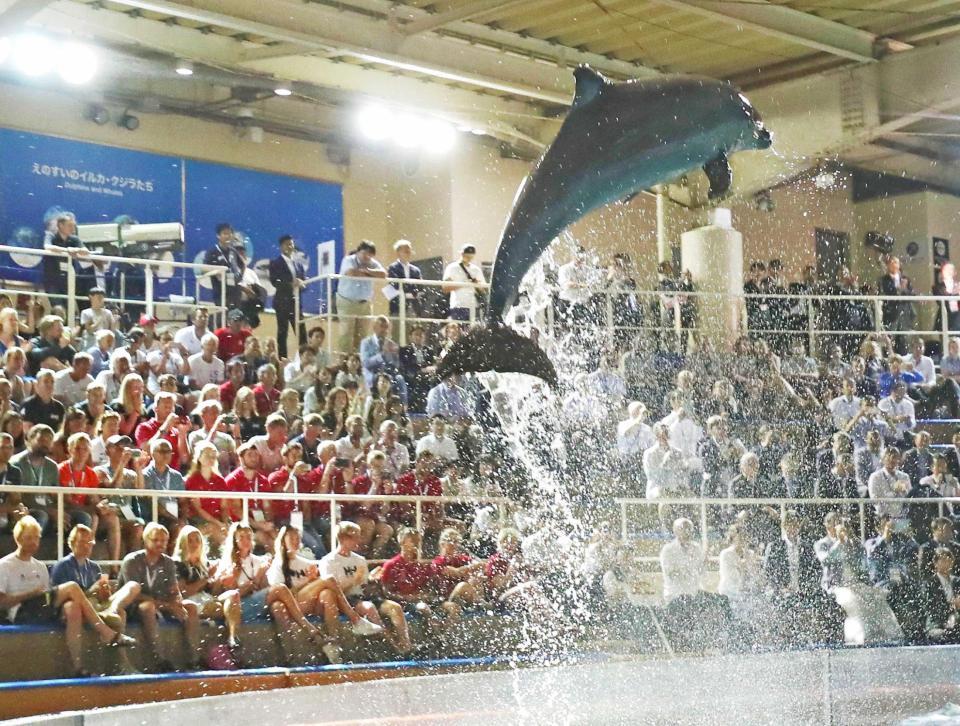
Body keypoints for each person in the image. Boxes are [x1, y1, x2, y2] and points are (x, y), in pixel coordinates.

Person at [0, 516, 135, 676]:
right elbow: (3, 603)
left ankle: (77, 667)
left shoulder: (40, 566)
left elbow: (48, 597)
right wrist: (30, 593)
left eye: (37, 538)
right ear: (18, 538)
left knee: (72, 608)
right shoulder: (5, 565)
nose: (34, 542)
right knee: (72, 587)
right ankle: (106, 633)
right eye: (29, 537)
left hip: (42, 608)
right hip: (20, 611)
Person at [267, 525, 381, 664]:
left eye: (298, 538)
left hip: (307, 604)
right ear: (283, 541)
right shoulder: (277, 564)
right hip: (292, 605)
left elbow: (318, 590)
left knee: (327, 594)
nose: (296, 541)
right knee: (328, 580)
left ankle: (334, 645)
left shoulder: (307, 562)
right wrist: (309, 582)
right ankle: (355, 619)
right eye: (292, 538)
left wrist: (314, 580)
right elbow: (282, 593)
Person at [216, 522, 327, 663]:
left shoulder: (258, 561)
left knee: (278, 606)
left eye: (249, 537)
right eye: (241, 537)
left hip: (255, 604)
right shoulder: (226, 562)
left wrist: (261, 576)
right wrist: (235, 581)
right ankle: (310, 629)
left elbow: (262, 589)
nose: (246, 541)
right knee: (279, 588)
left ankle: (290, 656)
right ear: (234, 540)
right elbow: (218, 592)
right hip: (236, 607)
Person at [50, 523, 141, 671]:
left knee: (132, 588)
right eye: (82, 542)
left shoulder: (94, 567)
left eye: (89, 543)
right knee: (73, 606)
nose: (87, 546)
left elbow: (101, 599)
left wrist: (104, 593)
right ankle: (111, 658)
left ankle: (122, 665)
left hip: (96, 608)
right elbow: (62, 598)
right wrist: (91, 591)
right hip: (76, 609)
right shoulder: (62, 565)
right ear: (72, 543)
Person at [118, 522, 203, 670]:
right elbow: (135, 595)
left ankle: (193, 658)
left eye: (163, 540)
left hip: (160, 602)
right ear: (146, 540)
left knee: (191, 607)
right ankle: (158, 659)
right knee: (147, 607)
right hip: (132, 606)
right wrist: (168, 606)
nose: (160, 544)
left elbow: (173, 590)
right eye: (155, 540)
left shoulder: (168, 562)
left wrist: (178, 602)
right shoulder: (132, 561)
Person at [321, 521, 411, 652]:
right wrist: (353, 580)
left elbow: (364, 586)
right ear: (343, 538)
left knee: (394, 607)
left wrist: (373, 580)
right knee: (369, 608)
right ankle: (394, 648)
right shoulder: (328, 561)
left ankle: (406, 646)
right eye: (355, 536)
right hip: (346, 600)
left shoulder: (360, 560)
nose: (360, 539)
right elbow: (334, 590)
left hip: (363, 596)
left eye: (359, 536)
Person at [658, 517, 736, 651]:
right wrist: (690, 567)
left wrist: (705, 562)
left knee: (722, 600)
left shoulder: (696, 547)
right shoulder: (668, 550)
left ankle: (729, 636)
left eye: (689, 529)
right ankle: (691, 641)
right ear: (675, 531)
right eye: (683, 528)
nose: (687, 532)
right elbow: (671, 573)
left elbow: (700, 573)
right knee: (686, 600)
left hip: (695, 592)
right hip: (676, 595)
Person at [381, 527, 461, 633]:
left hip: (424, 601)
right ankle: (436, 637)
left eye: (418, 540)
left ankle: (445, 636)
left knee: (453, 607)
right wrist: (407, 597)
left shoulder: (420, 566)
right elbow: (385, 592)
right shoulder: (391, 565)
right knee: (423, 607)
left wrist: (427, 594)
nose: (416, 543)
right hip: (404, 603)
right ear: (402, 542)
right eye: (413, 540)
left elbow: (429, 587)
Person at [336, 240, 387, 356]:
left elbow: (383, 274)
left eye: (370, 254)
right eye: (365, 253)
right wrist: (370, 274)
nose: (367, 256)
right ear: (358, 252)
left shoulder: (372, 263)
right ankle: (344, 363)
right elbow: (351, 272)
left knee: (362, 334)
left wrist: (366, 271)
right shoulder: (348, 260)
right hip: (346, 302)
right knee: (346, 334)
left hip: (365, 304)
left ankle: (358, 362)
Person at [267, 235, 308, 359]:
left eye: (291, 244)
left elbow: (302, 281)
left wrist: (303, 284)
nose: (289, 246)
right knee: (283, 332)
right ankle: (282, 360)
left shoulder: (298, 265)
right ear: (281, 247)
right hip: (282, 303)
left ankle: (304, 358)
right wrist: (291, 284)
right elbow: (275, 281)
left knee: (301, 332)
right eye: (286, 244)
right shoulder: (275, 263)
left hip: (296, 303)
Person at [203, 223, 243, 315]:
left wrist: (239, 277)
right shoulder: (212, 252)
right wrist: (218, 271)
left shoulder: (233, 251)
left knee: (236, 317)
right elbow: (204, 268)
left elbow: (242, 265)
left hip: (235, 291)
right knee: (223, 317)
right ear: (218, 236)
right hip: (220, 291)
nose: (228, 236)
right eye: (225, 234)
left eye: (230, 234)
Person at [878, 256, 915, 354]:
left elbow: (912, 294)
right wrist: (898, 289)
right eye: (891, 263)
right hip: (891, 315)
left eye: (896, 262)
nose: (893, 264)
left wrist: (904, 289)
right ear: (888, 266)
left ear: (899, 265)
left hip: (904, 315)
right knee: (889, 340)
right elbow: (887, 293)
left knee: (904, 341)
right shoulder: (884, 280)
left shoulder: (905, 278)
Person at [922, 547, 960, 642]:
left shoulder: (957, 581)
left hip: (956, 622)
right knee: (944, 635)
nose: (946, 563)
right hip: (937, 624)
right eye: (943, 560)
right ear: (935, 563)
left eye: (949, 560)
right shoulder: (929, 584)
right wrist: (952, 604)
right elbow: (932, 608)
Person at [442, 244, 487, 322]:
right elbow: (445, 288)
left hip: (474, 306)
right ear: (461, 254)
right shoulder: (452, 268)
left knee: (473, 331)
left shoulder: (476, 270)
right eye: (467, 256)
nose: (469, 258)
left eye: (471, 256)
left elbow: (484, 290)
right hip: (458, 306)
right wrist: (464, 283)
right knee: (459, 330)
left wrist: (476, 284)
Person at [386, 239, 422, 320]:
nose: (408, 253)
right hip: (397, 308)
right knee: (397, 330)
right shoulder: (393, 268)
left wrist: (410, 291)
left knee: (412, 331)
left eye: (409, 251)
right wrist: (411, 291)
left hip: (413, 308)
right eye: (406, 251)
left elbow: (420, 287)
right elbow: (395, 285)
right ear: (398, 253)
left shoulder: (416, 270)